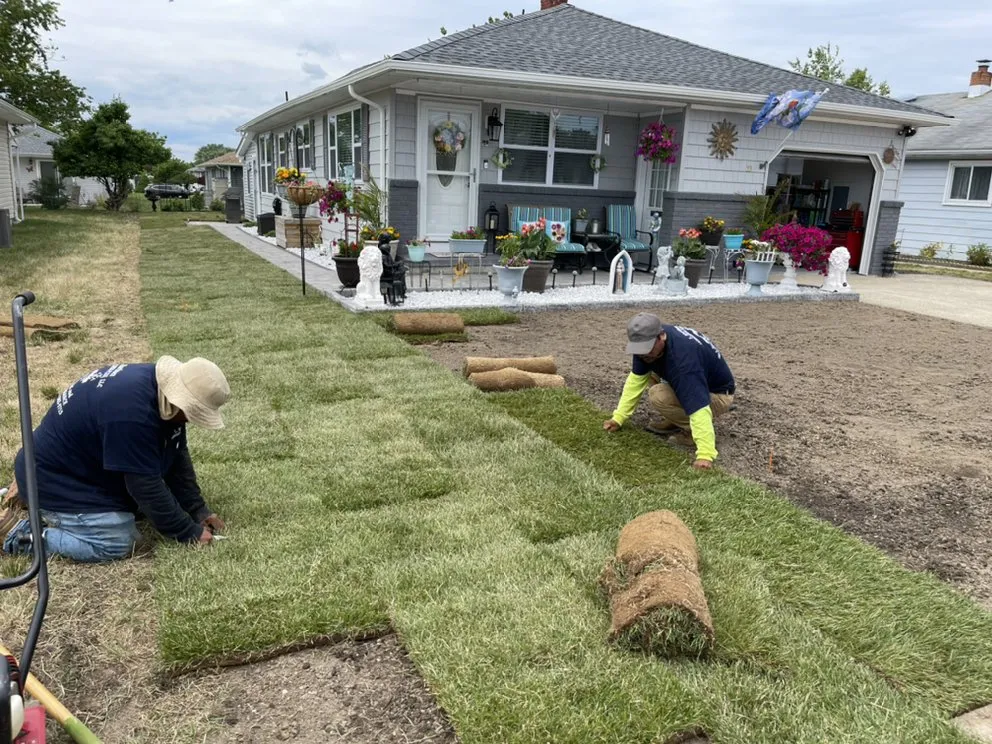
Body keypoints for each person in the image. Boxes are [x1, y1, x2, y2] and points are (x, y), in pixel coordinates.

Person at [2, 356, 231, 562]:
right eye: (193, 413)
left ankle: (32, 498)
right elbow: (145, 486)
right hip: (52, 478)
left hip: (74, 465)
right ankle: (20, 536)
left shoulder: (156, 389)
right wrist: (187, 533)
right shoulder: (132, 414)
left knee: (146, 503)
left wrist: (197, 510)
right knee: (117, 540)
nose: (191, 420)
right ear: (180, 400)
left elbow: (176, 453)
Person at [603, 313, 735, 470]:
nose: (643, 354)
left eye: (647, 348)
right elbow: (636, 381)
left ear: (662, 336)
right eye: (639, 349)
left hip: (719, 395)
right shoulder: (647, 346)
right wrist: (618, 418)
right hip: (699, 381)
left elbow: (698, 406)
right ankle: (676, 419)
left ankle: (691, 432)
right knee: (651, 374)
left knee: (658, 395)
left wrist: (705, 454)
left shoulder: (683, 361)